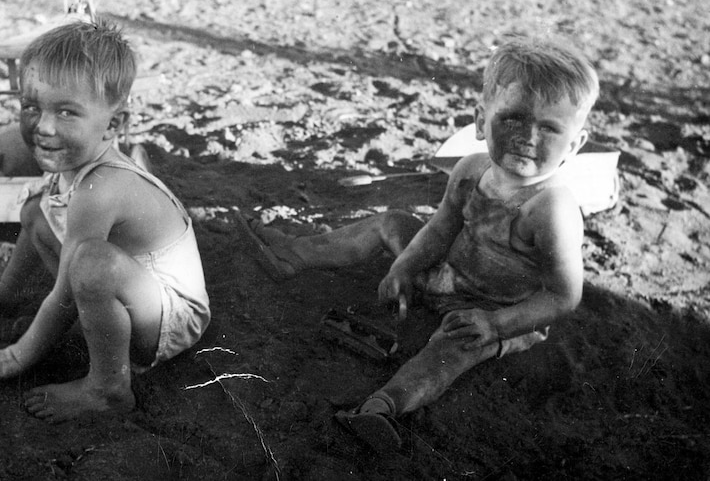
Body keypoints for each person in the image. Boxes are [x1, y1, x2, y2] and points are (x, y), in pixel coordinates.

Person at [236, 35, 597, 453]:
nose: (528, 137)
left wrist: (494, 325)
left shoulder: (551, 209)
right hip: (446, 274)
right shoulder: (471, 169)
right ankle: (293, 255)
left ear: (574, 144)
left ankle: (382, 406)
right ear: (481, 121)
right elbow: (440, 230)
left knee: (451, 350)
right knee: (391, 222)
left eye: (549, 128)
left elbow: (563, 296)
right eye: (513, 118)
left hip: (497, 309)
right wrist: (405, 266)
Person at [0, 19, 210, 423]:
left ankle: (108, 388)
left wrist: (17, 355)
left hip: (170, 318)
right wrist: (7, 289)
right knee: (37, 210)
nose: (43, 126)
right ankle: (98, 323)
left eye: (66, 112)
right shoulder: (75, 162)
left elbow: (64, 291)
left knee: (92, 265)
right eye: (31, 107)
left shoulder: (103, 186)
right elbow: (37, 225)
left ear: (114, 125)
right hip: (135, 289)